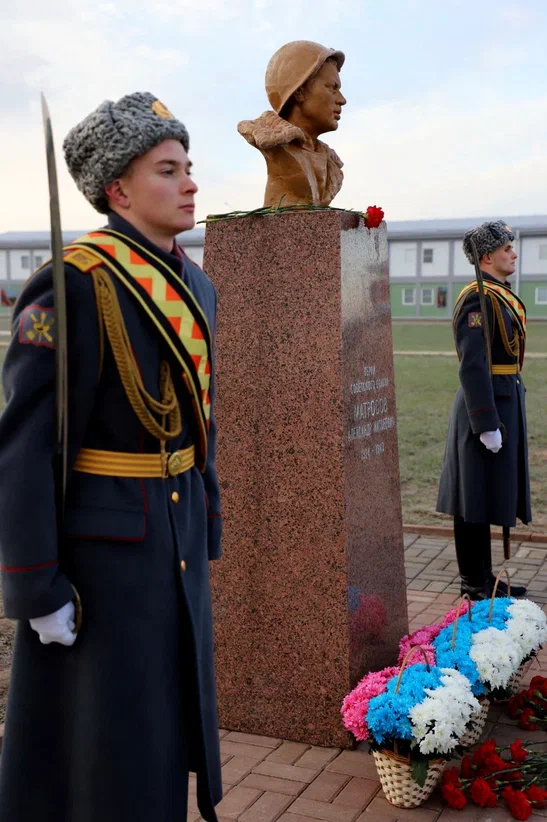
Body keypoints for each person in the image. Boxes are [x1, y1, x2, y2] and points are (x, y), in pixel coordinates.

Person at [0, 92, 223, 822]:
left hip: (175, 527)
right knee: (106, 740)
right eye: (168, 169)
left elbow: (198, 419)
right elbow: (25, 447)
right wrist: (35, 585)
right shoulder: (70, 285)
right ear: (117, 190)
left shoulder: (196, 285)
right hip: (102, 552)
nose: (190, 182)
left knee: (167, 719)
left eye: (189, 165)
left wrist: (206, 515)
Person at [437, 220, 530, 600]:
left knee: (487, 491)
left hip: (503, 398)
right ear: (488, 257)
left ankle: (485, 575)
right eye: (507, 248)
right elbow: (472, 365)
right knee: (472, 495)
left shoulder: (497, 294)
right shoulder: (478, 299)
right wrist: (486, 423)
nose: (514, 253)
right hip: (486, 405)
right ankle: (473, 582)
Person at [238, 40, 346, 207]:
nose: (342, 100)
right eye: (332, 87)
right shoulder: (275, 143)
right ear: (299, 92)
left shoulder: (329, 160)